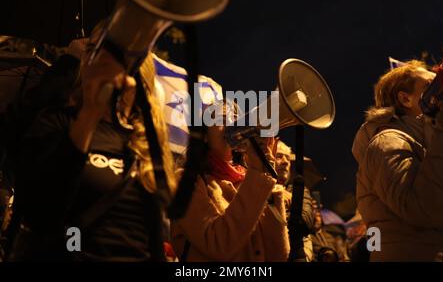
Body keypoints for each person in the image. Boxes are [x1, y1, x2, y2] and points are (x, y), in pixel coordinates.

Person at [6, 34, 177, 261]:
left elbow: (153, 239)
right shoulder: (58, 123)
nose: (105, 62)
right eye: (96, 51)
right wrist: (89, 113)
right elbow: (39, 212)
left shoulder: (147, 143)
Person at [352, 60, 443, 261]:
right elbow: (424, 207)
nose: (439, 89)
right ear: (405, 99)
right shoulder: (387, 142)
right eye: (430, 86)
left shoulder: (427, 143)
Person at [170, 105, 290, 261]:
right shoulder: (186, 181)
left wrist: (268, 184)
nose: (232, 125)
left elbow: (279, 254)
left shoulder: (248, 181)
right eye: (222, 119)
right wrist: (257, 176)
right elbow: (218, 244)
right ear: (204, 135)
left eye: (235, 119)